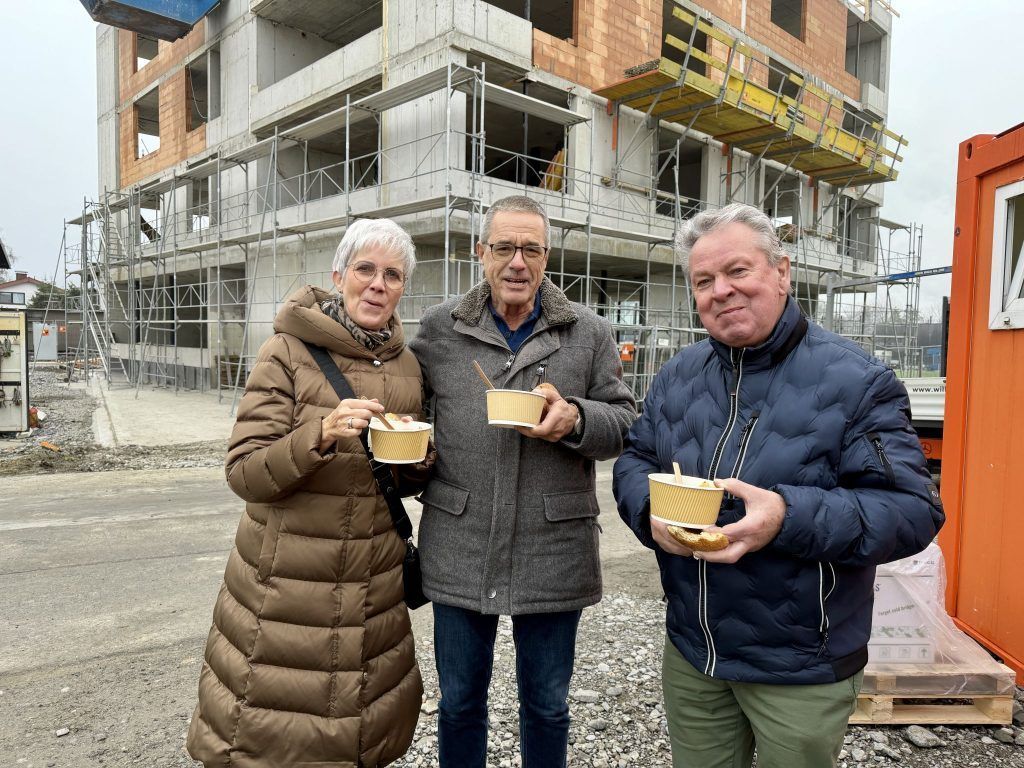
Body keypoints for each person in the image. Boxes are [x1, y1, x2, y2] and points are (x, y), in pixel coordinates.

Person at [613, 203, 945, 768]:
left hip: (801, 664)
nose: (721, 290)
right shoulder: (678, 374)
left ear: (782, 272)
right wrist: (649, 512)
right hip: (695, 650)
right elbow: (636, 459)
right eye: (704, 281)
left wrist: (786, 517)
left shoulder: (857, 380)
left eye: (737, 271)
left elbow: (912, 509)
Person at [187, 218, 427, 768]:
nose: (378, 284)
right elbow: (244, 472)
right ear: (338, 276)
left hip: (372, 590)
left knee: (359, 735)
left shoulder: (408, 366)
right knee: (271, 735)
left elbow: (399, 481)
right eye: (365, 269)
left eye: (392, 275)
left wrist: (420, 460)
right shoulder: (287, 351)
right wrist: (319, 433)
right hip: (285, 593)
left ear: (402, 289)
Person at [408, 195, 636, 768]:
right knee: (460, 703)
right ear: (480, 252)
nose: (517, 262)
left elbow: (624, 422)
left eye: (531, 249)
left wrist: (576, 418)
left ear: (546, 257)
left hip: (553, 544)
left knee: (548, 705)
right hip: (460, 539)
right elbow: (409, 409)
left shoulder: (588, 332)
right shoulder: (440, 329)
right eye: (504, 247)